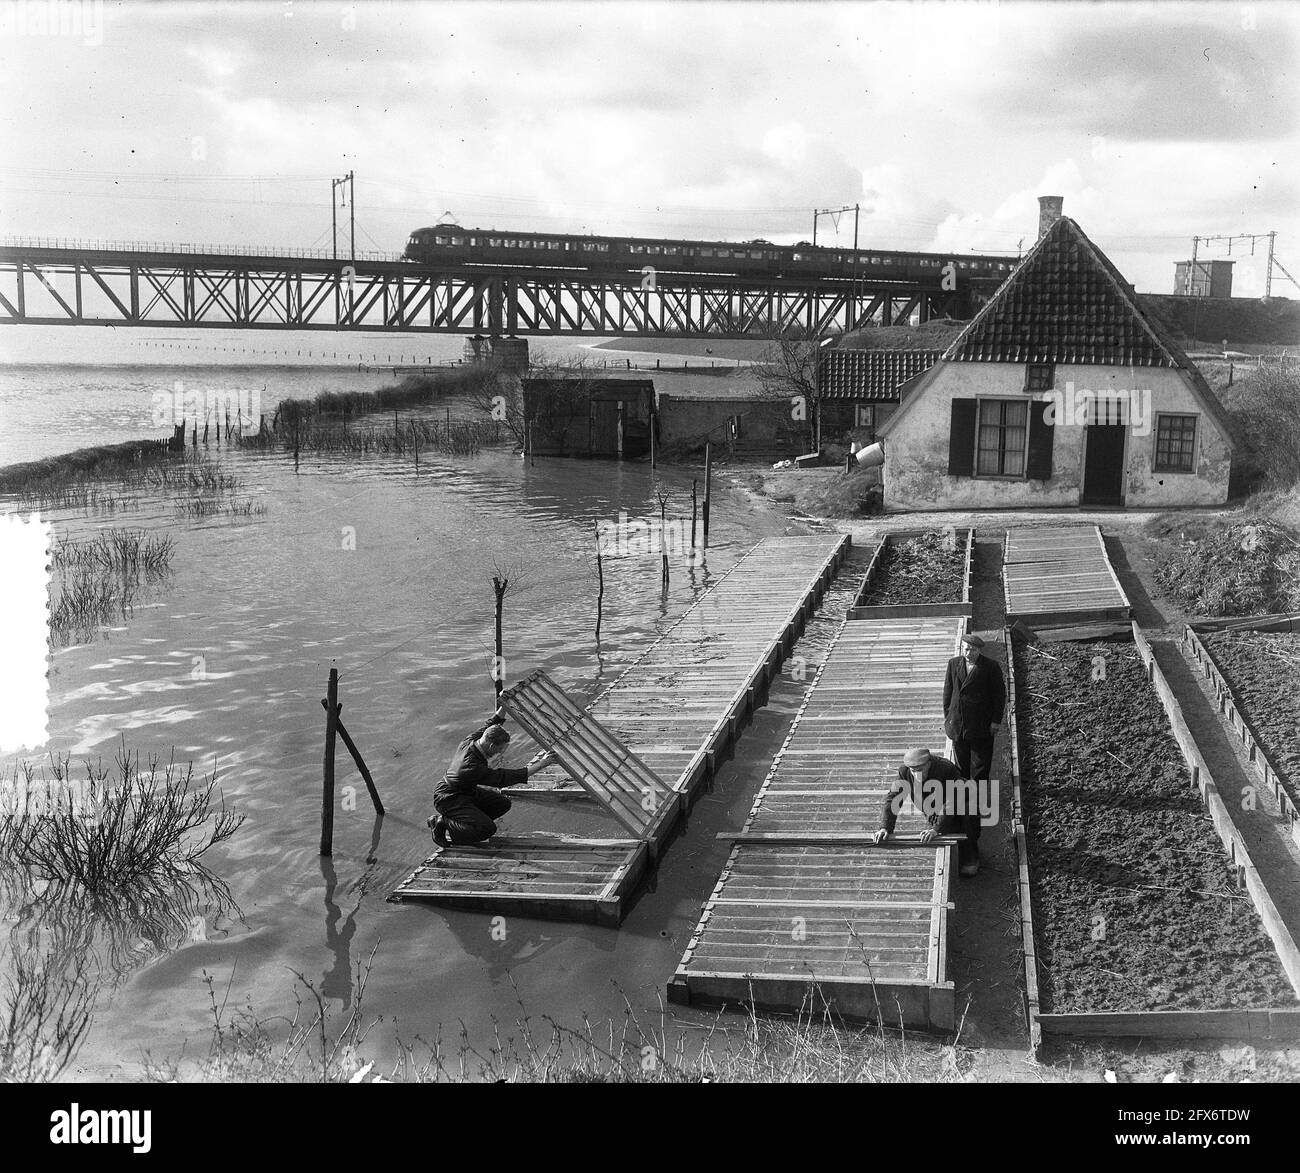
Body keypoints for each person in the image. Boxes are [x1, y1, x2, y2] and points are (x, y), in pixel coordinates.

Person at [427, 707, 557, 847]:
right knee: (487, 829)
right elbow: (503, 778)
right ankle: (442, 823)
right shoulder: (472, 767)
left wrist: (504, 705)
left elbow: (491, 724)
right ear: (490, 745)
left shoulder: (473, 740)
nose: (501, 752)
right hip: (448, 798)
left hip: (465, 790)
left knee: (502, 804)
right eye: (500, 748)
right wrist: (542, 764)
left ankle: (466, 824)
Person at [871, 746, 980, 876]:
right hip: (932, 805)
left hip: (960, 800)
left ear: (929, 764)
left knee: (967, 818)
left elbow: (952, 800)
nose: (917, 774)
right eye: (913, 770)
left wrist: (936, 829)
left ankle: (970, 858)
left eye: (920, 770)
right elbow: (892, 798)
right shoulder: (904, 772)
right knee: (944, 828)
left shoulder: (946, 768)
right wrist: (885, 827)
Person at [942, 632, 1004, 786]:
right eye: (966, 649)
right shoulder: (954, 664)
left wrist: (995, 721)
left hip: (981, 724)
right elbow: (948, 692)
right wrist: (949, 718)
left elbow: (999, 696)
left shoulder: (990, 667)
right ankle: (964, 799)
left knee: (980, 765)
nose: (968, 653)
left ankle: (980, 801)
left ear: (979, 650)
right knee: (961, 766)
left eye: (973, 650)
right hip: (959, 724)